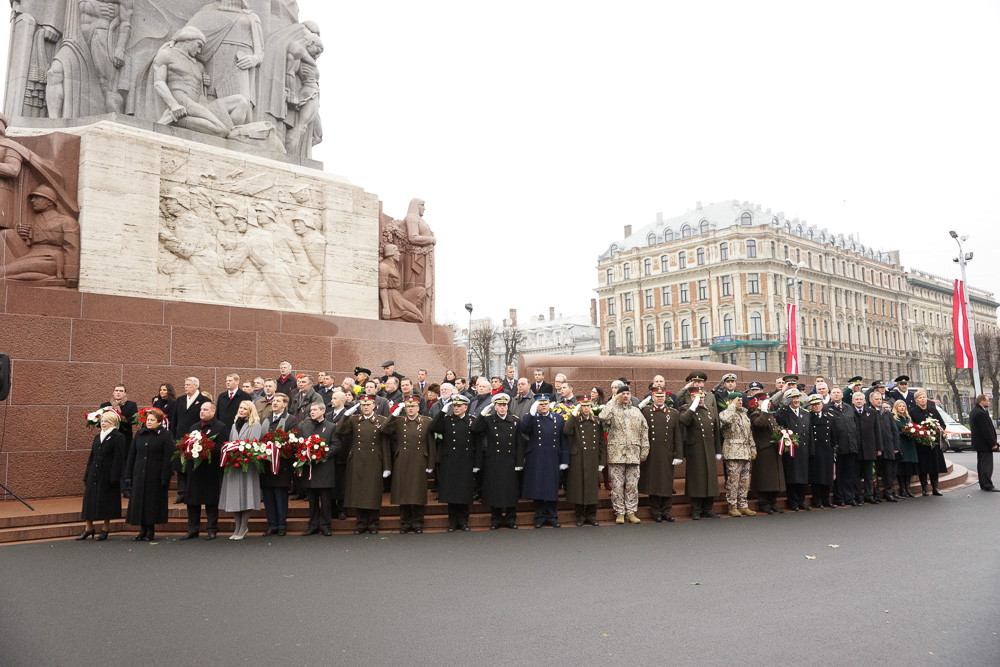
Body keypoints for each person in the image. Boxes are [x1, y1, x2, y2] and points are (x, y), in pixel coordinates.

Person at [337, 395, 390, 534]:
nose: (365, 407)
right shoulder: (354, 420)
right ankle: (360, 523)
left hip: (374, 460)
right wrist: (346, 415)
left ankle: (373, 523)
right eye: (363, 405)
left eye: (368, 405)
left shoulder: (381, 420)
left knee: (372, 493)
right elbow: (340, 430)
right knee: (359, 493)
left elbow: (385, 443)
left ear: (374, 406)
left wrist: (386, 466)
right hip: (357, 460)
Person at [471, 393, 523, 529]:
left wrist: (519, 462)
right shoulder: (489, 420)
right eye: (499, 405)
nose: (502, 408)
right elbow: (475, 429)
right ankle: (496, 519)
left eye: (504, 405)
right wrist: (482, 414)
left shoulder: (515, 420)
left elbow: (519, 443)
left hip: (510, 460)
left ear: (507, 406)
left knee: (510, 491)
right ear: (495, 406)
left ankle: (511, 519)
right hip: (493, 460)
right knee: (495, 491)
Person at [385, 396, 435, 533]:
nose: (411, 409)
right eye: (408, 407)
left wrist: (431, 463)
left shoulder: (426, 422)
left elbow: (431, 443)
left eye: (413, 406)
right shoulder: (399, 421)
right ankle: (405, 522)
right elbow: (384, 429)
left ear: (418, 408)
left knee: (418, 492)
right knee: (404, 492)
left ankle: (418, 522)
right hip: (403, 460)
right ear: (405, 409)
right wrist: (395, 413)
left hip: (420, 459)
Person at [676, 371, 723, 519]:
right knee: (697, 479)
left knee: (710, 478)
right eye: (697, 397)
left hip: (709, 448)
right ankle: (696, 510)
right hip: (695, 448)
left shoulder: (709, 410)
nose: (700, 399)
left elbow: (715, 429)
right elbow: (683, 421)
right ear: (691, 397)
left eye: (702, 397)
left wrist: (717, 449)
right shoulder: (686, 409)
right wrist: (693, 406)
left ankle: (708, 508)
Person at [124, 408, 174, 542]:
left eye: (152, 420)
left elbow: (168, 457)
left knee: (151, 503)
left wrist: (165, 476)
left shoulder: (165, 435)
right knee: (140, 502)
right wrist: (128, 475)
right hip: (139, 474)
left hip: (155, 475)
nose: (149, 422)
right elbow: (132, 455)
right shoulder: (140, 434)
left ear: (159, 422)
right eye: (148, 420)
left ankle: (150, 530)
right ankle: (142, 530)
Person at [520, 395, 569, 528]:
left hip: (553, 456)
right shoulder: (532, 417)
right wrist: (531, 413)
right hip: (537, 456)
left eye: (545, 403)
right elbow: (524, 429)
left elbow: (562, 440)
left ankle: (552, 516)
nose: (543, 406)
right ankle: (540, 517)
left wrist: (564, 459)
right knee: (539, 487)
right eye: (540, 404)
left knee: (552, 487)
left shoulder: (558, 418)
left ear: (549, 404)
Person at [181, 402, 227, 540]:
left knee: (211, 502)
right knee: (192, 501)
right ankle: (193, 529)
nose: (202, 412)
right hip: (195, 470)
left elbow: (222, 448)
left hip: (210, 470)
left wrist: (206, 448)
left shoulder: (220, 427)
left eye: (205, 409)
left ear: (213, 412)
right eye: (201, 409)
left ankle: (212, 529)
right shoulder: (194, 427)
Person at [78, 411, 127, 541]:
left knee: (106, 501)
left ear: (113, 423)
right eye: (102, 421)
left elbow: (119, 458)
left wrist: (115, 477)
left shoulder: (118, 437)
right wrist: (87, 474)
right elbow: (92, 457)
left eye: (106, 421)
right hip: (95, 471)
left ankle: (105, 528)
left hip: (108, 473)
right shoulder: (97, 436)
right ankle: (89, 528)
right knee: (89, 500)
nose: (103, 423)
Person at [431, 394, 477, 531]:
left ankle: (463, 521)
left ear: (465, 407)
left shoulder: (471, 420)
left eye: (459, 406)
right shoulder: (447, 420)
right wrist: (443, 411)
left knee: (464, 492)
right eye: (454, 406)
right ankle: (452, 522)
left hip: (466, 461)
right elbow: (433, 427)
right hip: (450, 460)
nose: (456, 408)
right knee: (451, 493)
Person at [638, 388, 683, 522]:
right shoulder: (646, 411)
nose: (660, 399)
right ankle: (656, 511)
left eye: (662, 396)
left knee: (666, 482)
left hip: (667, 453)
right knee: (654, 482)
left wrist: (678, 454)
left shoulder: (673, 413)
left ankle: (666, 511)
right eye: (657, 396)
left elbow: (677, 435)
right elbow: (634, 414)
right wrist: (641, 404)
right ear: (652, 397)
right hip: (652, 452)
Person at [220, 400, 262, 540]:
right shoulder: (234, 425)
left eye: (245, 408)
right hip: (234, 465)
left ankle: (244, 527)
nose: (241, 410)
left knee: (246, 495)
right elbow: (232, 442)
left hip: (246, 466)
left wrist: (239, 452)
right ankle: (237, 526)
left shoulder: (255, 425)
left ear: (250, 411)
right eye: (240, 408)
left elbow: (253, 444)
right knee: (234, 497)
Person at [562, 397, 606, 526]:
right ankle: (580, 515)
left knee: (592, 488)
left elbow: (601, 443)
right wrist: (573, 414)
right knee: (579, 488)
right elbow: (566, 430)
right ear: (580, 407)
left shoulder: (596, 422)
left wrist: (602, 461)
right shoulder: (576, 421)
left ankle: (592, 515)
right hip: (578, 459)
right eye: (583, 406)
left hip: (592, 458)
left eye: (588, 406)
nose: (586, 408)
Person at [298, 402, 339, 536]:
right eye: (311, 410)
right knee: (312, 499)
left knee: (326, 500)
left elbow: (336, 444)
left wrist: (321, 454)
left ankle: (325, 525)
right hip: (310, 469)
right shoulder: (305, 427)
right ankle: (313, 525)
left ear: (323, 411)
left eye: (315, 410)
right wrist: (305, 454)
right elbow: (300, 445)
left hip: (324, 467)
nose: (312, 412)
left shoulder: (331, 427)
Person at [259, 393, 297, 536]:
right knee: (268, 496)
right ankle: (272, 524)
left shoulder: (291, 420)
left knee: (280, 496)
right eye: (274, 401)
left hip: (282, 466)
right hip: (267, 466)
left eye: (278, 401)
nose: (274, 403)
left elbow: (294, 439)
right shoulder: (265, 420)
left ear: (285, 404)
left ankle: (281, 524)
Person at [169, 377, 210, 504]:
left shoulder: (204, 401)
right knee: (181, 466)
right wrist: (173, 436)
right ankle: (182, 493)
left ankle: (193, 492)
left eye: (188, 385)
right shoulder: (180, 400)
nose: (185, 387)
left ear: (196, 386)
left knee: (193, 466)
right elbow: (175, 419)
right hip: (180, 438)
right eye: (185, 384)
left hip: (196, 438)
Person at [748, 386, 784, 514]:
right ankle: (764, 503)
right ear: (758, 402)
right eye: (763, 402)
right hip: (763, 450)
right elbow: (759, 424)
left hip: (773, 449)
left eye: (767, 402)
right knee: (765, 479)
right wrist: (763, 410)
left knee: (774, 479)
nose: (767, 404)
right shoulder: (756, 414)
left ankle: (772, 502)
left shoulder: (769, 414)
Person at [719, 392, 756, 516]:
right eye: (736, 400)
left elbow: (749, 434)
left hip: (745, 452)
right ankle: (732, 505)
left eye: (740, 400)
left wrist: (753, 449)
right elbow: (725, 420)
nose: (739, 402)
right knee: (733, 481)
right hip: (733, 451)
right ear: (730, 401)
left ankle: (743, 504)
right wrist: (732, 406)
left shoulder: (745, 415)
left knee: (744, 481)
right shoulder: (726, 413)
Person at [774, 389, 811, 512]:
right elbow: (778, 419)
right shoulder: (784, 412)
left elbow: (809, 433)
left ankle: (801, 501)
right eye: (792, 398)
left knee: (802, 477)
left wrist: (811, 450)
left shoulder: (805, 413)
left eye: (797, 398)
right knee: (792, 477)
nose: (795, 400)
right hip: (790, 449)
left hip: (803, 449)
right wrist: (784, 406)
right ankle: (793, 502)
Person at [910, 390, 947, 496]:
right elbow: (912, 426)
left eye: (924, 397)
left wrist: (937, 430)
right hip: (921, 444)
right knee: (923, 466)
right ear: (916, 400)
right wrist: (921, 433)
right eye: (920, 398)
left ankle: (935, 487)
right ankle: (924, 487)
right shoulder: (913, 412)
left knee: (934, 465)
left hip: (934, 443)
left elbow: (942, 424)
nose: (922, 399)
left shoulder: (933, 410)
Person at [870, 392, 899, 502]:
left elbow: (894, 431)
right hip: (875, 448)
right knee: (875, 472)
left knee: (888, 472)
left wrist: (896, 446)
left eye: (880, 399)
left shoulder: (887, 413)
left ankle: (889, 492)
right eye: (876, 399)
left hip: (888, 447)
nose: (879, 401)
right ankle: (876, 493)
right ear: (871, 400)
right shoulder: (869, 413)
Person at [807, 395, 835, 509]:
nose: (816, 406)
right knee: (817, 477)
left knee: (827, 476)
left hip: (827, 450)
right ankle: (817, 500)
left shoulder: (828, 417)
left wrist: (834, 447)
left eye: (818, 404)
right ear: (810, 406)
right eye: (814, 404)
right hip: (815, 450)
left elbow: (833, 434)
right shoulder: (808, 418)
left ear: (822, 405)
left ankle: (826, 499)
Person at [970, 394, 999, 492]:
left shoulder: (975, 411)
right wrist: (993, 443)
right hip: (984, 444)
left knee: (981, 464)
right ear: (982, 401)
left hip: (979, 443)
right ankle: (987, 484)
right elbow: (986, 430)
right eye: (987, 401)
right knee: (986, 465)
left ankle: (983, 483)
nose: (989, 403)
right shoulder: (981, 413)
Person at [100, 384, 138, 452]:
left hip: (125, 437)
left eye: (121, 391)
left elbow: (134, 419)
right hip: (108, 436)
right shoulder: (105, 405)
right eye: (116, 390)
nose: (118, 392)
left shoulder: (131, 405)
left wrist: (120, 421)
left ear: (125, 393)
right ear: (113, 393)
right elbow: (100, 420)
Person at [892, 400, 918, 498]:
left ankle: (908, 487)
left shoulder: (908, 418)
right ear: (896, 408)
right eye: (900, 406)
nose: (902, 408)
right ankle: (902, 488)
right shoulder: (895, 418)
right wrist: (904, 431)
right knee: (902, 468)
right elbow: (894, 432)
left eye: (903, 406)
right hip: (901, 444)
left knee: (909, 468)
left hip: (910, 444)